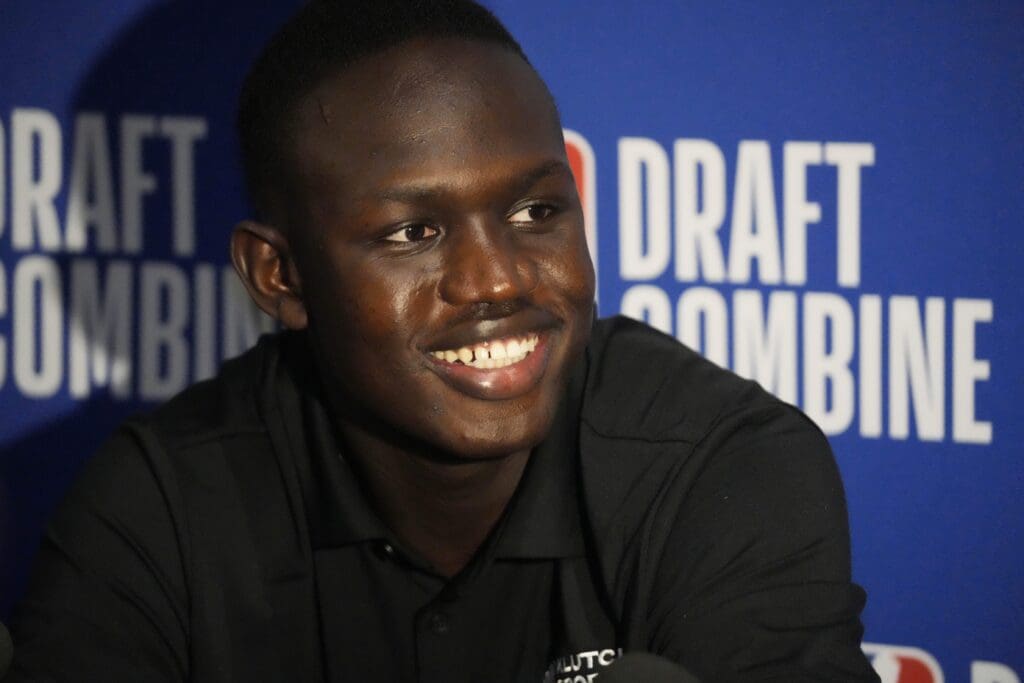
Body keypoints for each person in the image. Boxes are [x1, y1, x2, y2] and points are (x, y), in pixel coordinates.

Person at [7, 1, 880, 681]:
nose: (498, 280)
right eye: (413, 233)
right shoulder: (159, 506)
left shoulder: (722, 469)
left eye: (536, 211)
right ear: (280, 277)